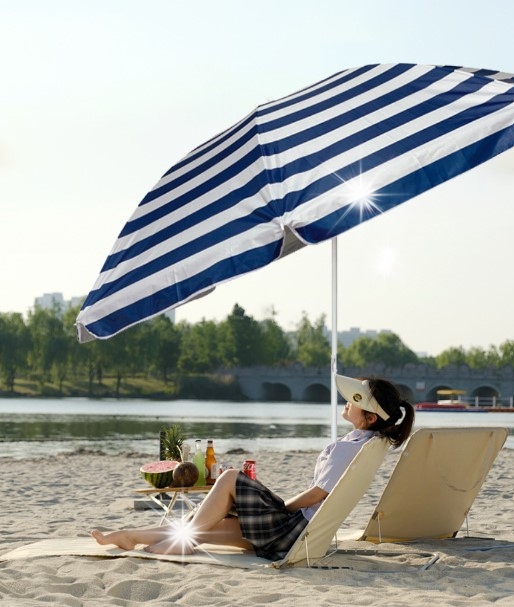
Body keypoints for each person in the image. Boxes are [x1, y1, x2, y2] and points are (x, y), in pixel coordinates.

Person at [92, 375, 415, 560]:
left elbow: (317, 494)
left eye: (356, 399)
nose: (348, 400)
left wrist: (280, 508)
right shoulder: (369, 443)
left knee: (231, 477)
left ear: (369, 418)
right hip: (294, 536)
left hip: (290, 530)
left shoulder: (349, 449)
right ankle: (130, 536)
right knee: (207, 526)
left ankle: (176, 542)